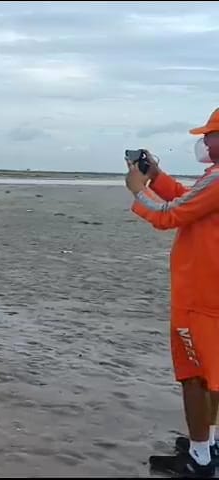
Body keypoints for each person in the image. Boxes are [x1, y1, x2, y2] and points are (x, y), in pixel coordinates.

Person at [127, 108, 219, 477]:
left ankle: (199, 457)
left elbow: (169, 215)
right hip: (208, 293)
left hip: (200, 296)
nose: (205, 142)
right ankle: (207, 442)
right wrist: (158, 177)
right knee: (212, 373)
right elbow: (187, 200)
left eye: (209, 135)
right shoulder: (212, 179)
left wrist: (138, 191)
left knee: (194, 376)